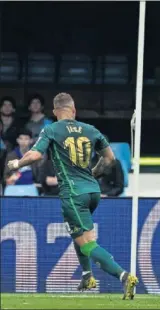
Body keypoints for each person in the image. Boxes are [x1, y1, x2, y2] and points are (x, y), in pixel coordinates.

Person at [6, 93, 138, 299]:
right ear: (74, 111)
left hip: (73, 193)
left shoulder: (51, 129)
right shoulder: (90, 130)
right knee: (76, 232)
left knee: (87, 243)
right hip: (92, 191)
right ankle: (87, 276)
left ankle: (124, 276)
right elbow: (110, 159)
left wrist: (17, 163)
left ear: (54, 111)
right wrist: (93, 173)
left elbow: (36, 154)